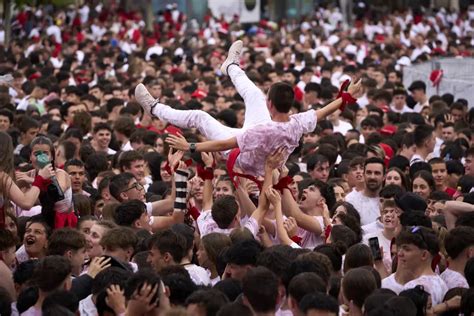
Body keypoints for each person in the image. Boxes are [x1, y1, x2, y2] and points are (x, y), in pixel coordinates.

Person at [135, 40, 363, 178]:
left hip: (244, 159)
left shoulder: (263, 132)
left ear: (270, 104)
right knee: (254, 93)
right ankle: (231, 65)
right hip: (258, 139)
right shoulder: (297, 122)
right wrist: (345, 98)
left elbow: (225, 145)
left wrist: (190, 146)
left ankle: (153, 108)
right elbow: (323, 111)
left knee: (200, 116)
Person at [0, 132, 55, 228]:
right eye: (36, 153)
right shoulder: (2, 177)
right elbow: (26, 203)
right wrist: (40, 178)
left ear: (52, 156)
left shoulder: (60, 173)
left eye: (45, 153)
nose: (40, 158)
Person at [346, 157, 385, 225]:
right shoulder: (351, 200)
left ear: (384, 176)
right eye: (369, 173)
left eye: (377, 173)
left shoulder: (389, 200)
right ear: (364, 174)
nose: (372, 177)